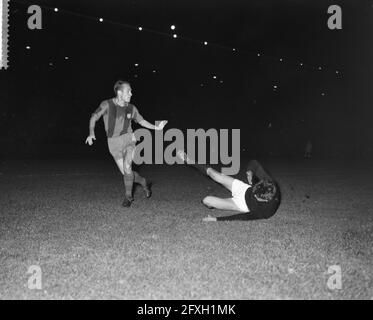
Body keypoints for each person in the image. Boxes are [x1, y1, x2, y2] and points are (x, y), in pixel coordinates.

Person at [85, 80, 167, 207]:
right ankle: (144, 182)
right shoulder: (107, 104)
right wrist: (91, 133)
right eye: (128, 91)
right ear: (119, 93)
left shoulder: (131, 108)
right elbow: (94, 117)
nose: (131, 94)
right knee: (127, 174)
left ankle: (128, 197)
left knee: (128, 166)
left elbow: (141, 121)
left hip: (129, 139)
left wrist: (157, 128)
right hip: (113, 144)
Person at [177, 150, 280, 222]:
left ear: (266, 200)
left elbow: (244, 217)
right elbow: (254, 163)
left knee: (207, 200)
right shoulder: (269, 182)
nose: (254, 195)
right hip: (243, 189)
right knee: (214, 174)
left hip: (240, 204)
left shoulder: (266, 212)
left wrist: (216, 219)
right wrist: (250, 171)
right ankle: (188, 160)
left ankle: (212, 205)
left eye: (256, 196)